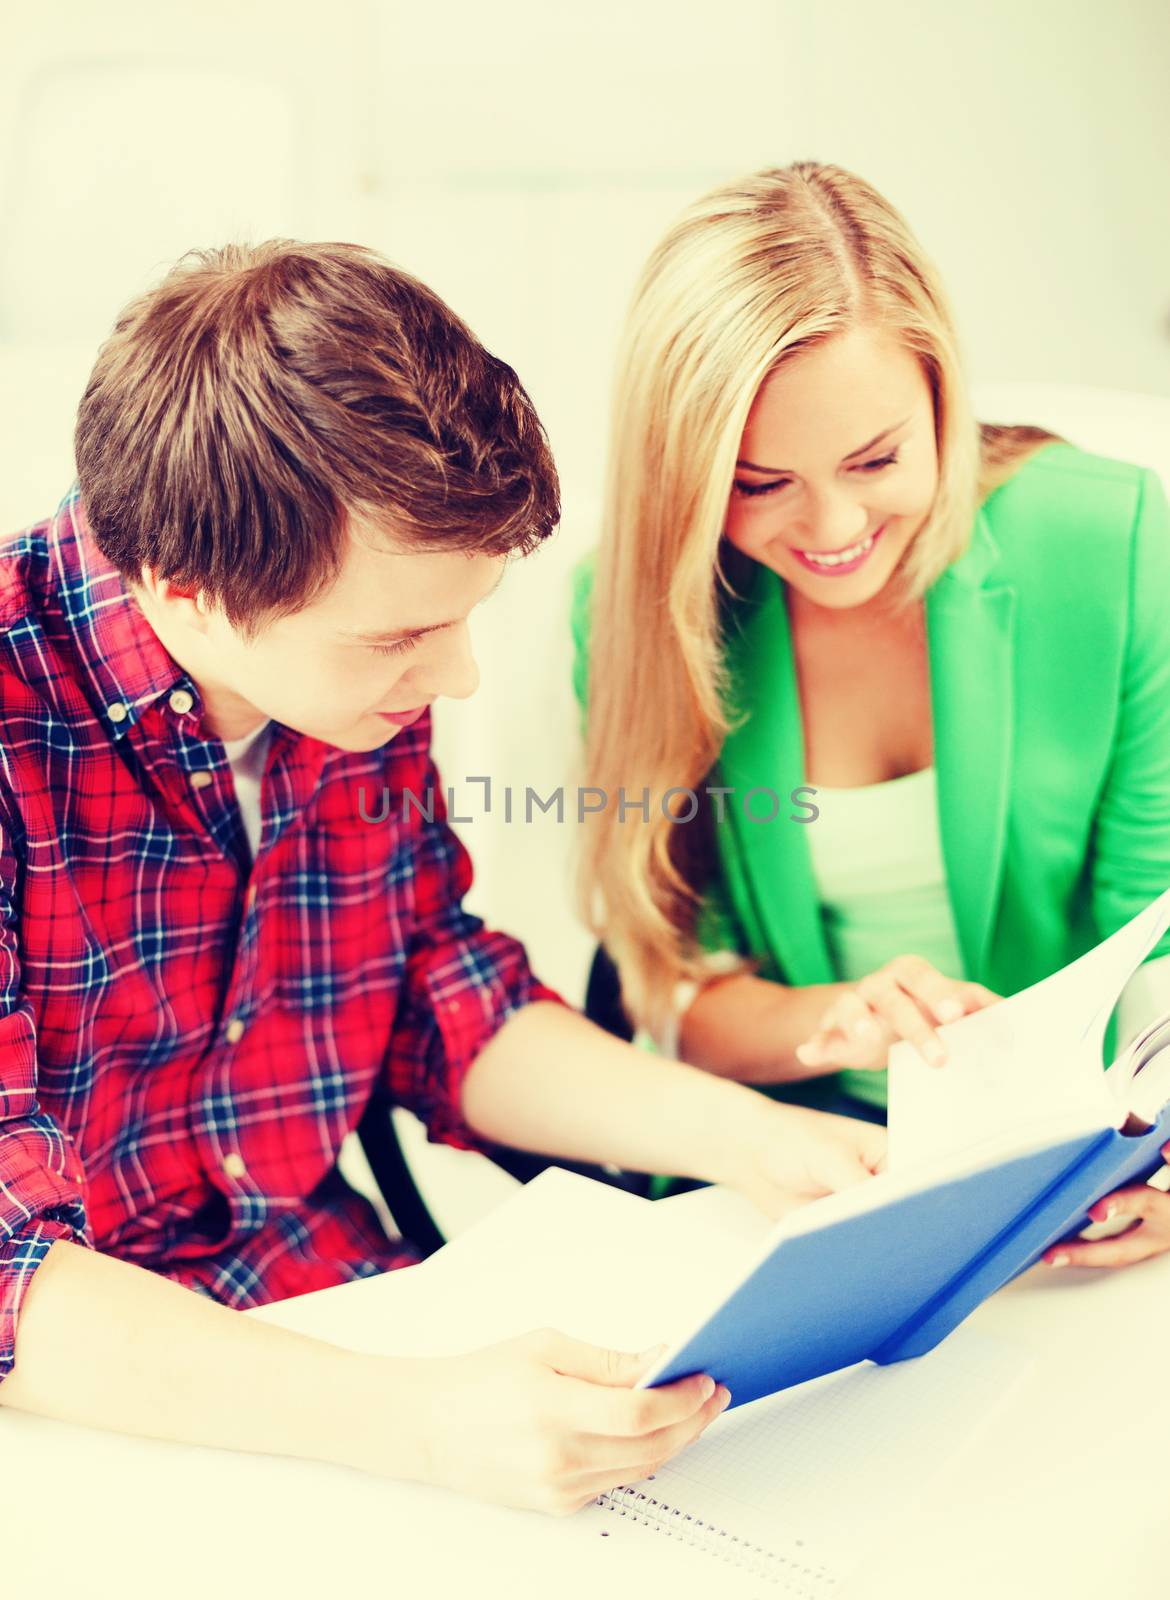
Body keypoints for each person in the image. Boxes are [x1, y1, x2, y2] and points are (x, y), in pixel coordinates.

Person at [0, 241, 885, 1513]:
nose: (457, 676)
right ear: (186, 597)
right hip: (91, 1407)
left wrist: (748, 1138)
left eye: (466, 616)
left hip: (345, 1302)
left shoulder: (342, 674)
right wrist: (416, 1422)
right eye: (407, 636)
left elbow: (429, 987)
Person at [572, 161, 1170, 1266]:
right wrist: (841, 1015)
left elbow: (1157, 933)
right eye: (760, 483)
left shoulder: (1112, 541)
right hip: (801, 1152)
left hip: (1087, 1136)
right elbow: (678, 993)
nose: (834, 525)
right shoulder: (641, 606)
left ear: (943, 396)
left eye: (876, 457)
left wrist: (1161, 1156)